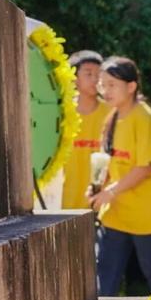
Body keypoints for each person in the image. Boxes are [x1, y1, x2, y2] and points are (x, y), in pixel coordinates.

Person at [89, 56, 151, 296]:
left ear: (131, 86)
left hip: (146, 211)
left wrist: (111, 191)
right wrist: (96, 186)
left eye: (112, 85)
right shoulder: (112, 117)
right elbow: (106, 159)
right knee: (105, 272)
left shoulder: (145, 118)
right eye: (102, 84)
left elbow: (145, 167)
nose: (105, 91)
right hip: (116, 211)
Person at [62, 50, 110, 209]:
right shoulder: (62, 112)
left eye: (98, 74)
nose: (95, 79)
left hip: (102, 201)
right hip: (67, 199)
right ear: (74, 78)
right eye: (88, 74)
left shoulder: (111, 112)